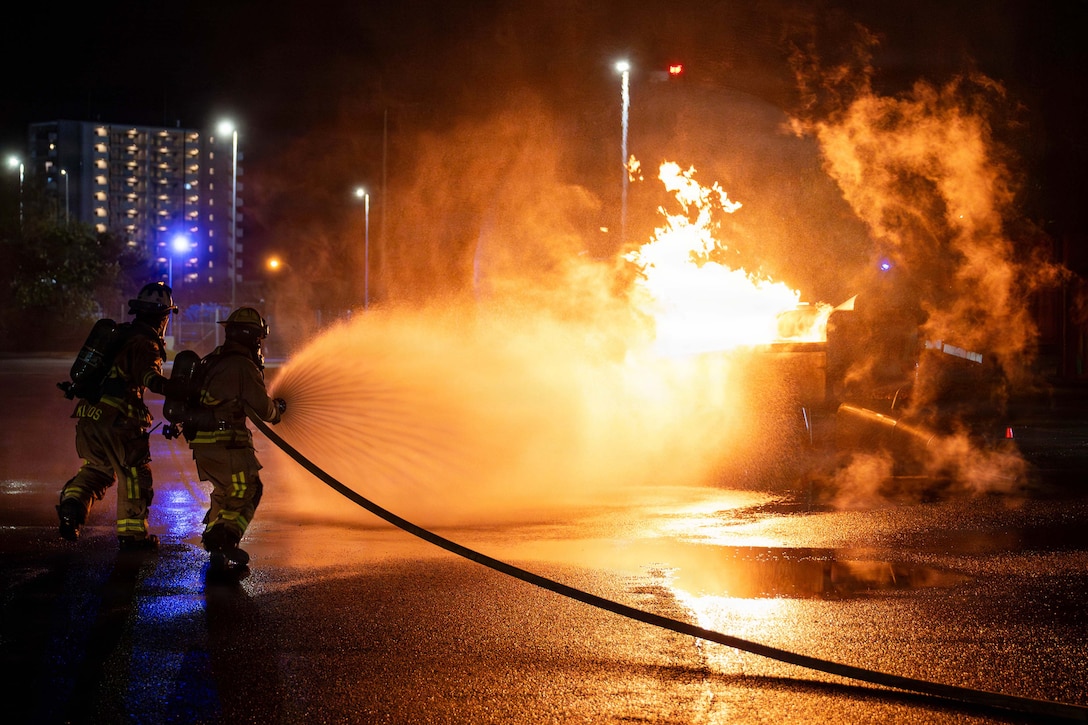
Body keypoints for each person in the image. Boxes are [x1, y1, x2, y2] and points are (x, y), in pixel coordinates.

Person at [57, 281, 179, 549]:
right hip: (120, 420)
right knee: (135, 475)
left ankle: (72, 506)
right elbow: (149, 377)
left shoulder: (118, 335)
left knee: (98, 470)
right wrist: (177, 387)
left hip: (89, 415)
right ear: (163, 317)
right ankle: (133, 536)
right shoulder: (146, 344)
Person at [187, 306, 286, 573]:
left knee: (224, 492)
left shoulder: (214, 359)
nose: (259, 345)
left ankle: (215, 545)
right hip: (227, 443)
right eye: (258, 339)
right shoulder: (242, 365)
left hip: (204, 444)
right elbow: (263, 409)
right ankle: (224, 538)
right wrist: (278, 410)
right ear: (252, 338)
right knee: (248, 490)